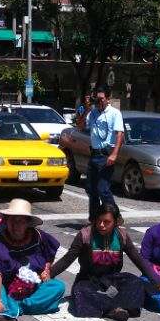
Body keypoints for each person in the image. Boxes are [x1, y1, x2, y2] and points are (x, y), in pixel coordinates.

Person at [50, 202, 160, 321]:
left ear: (115, 222)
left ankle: (109, 307)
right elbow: (68, 258)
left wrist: (157, 281)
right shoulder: (85, 235)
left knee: (136, 283)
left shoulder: (122, 236)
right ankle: (116, 308)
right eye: (99, 220)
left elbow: (138, 259)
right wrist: (49, 274)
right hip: (89, 280)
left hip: (113, 280)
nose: (101, 225)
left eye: (106, 222)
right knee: (80, 291)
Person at [0, 198, 66, 321]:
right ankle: (2, 307)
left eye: (21, 220)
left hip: (30, 288)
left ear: (27, 223)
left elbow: (49, 255)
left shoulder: (39, 237)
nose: (16, 224)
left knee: (57, 287)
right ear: (6, 222)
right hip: (3, 286)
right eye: (12, 220)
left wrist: (46, 269)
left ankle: (14, 309)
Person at [61, 88, 124, 222]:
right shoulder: (93, 113)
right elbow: (80, 126)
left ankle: (115, 215)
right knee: (91, 189)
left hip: (106, 154)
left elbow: (120, 134)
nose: (99, 102)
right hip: (94, 155)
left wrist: (114, 154)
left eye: (101, 99)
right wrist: (87, 109)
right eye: (97, 99)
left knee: (103, 189)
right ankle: (94, 218)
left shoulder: (114, 113)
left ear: (107, 99)